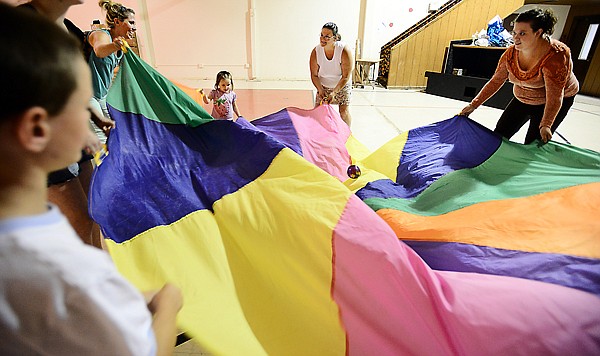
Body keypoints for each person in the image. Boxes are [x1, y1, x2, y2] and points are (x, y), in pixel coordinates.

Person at [0, 5, 182, 355]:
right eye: (80, 104)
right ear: (38, 128)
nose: (92, 115)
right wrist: (168, 303)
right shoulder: (67, 272)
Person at [20, 0, 114, 249]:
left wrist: (96, 118)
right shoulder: (20, 25)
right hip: (42, 142)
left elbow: (74, 88)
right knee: (79, 223)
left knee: (93, 216)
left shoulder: (68, 28)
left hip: (72, 136)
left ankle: (100, 280)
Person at [460, 8, 579, 144]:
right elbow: (495, 81)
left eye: (522, 33)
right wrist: (473, 105)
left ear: (538, 33)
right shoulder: (510, 54)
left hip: (554, 99)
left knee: (533, 144)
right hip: (523, 97)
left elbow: (555, 95)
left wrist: (546, 124)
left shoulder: (556, 56)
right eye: (514, 32)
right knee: (499, 135)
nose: (515, 38)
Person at [87, 0, 136, 140]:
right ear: (117, 21)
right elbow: (99, 51)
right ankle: (102, 162)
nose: (134, 28)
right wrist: (115, 45)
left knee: (114, 132)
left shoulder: (121, 48)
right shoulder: (101, 35)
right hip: (87, 96)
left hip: (101, 96)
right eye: (131, 23)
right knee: (101, 136)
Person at [310, 22, 354, 126]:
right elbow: (314, 75)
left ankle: (346, 135)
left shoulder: (344, 51)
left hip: (341, 85)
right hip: (323, 86)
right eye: (321, 35)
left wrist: (334, 93)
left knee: (343, 112)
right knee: (318, 113)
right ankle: (318, 136)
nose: (322, 39)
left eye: (327, 37)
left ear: (335, 38)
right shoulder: (316, 51)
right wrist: (320, 89)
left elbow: (345, 76)